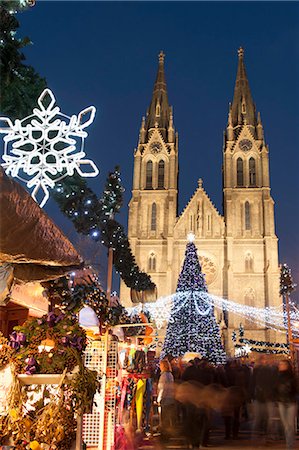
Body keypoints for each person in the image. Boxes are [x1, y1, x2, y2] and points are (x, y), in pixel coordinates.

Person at [250, 355, 277, 442]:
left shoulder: (273, 370)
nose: (266, 361)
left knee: (270, 418)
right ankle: (256, 435)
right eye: (264, 359)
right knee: (258, 417)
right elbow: (253, 382)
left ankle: (269, 435)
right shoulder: (258, 370)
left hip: (269, 397)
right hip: (260, 396)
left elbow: (274, 383)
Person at [276, 359, 298, 449]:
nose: (280, 366)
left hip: (291, 402)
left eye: (282, 364)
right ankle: (289, 443)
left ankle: (289, 446)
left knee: (290, 426)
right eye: (280, 364)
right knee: (286, 426)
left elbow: (296, 389)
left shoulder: (293, 377)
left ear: (287, 366)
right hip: (281, 402)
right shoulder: (277, 376)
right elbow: (275, 389)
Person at [157, 359, 175, 441]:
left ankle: (164, 436)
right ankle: (168, 434)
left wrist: (159, 398)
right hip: (170, 399)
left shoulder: (164, 376)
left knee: (164, 418)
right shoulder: (170, 375)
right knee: (168, 418)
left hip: (165, 399)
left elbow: (162, 388)